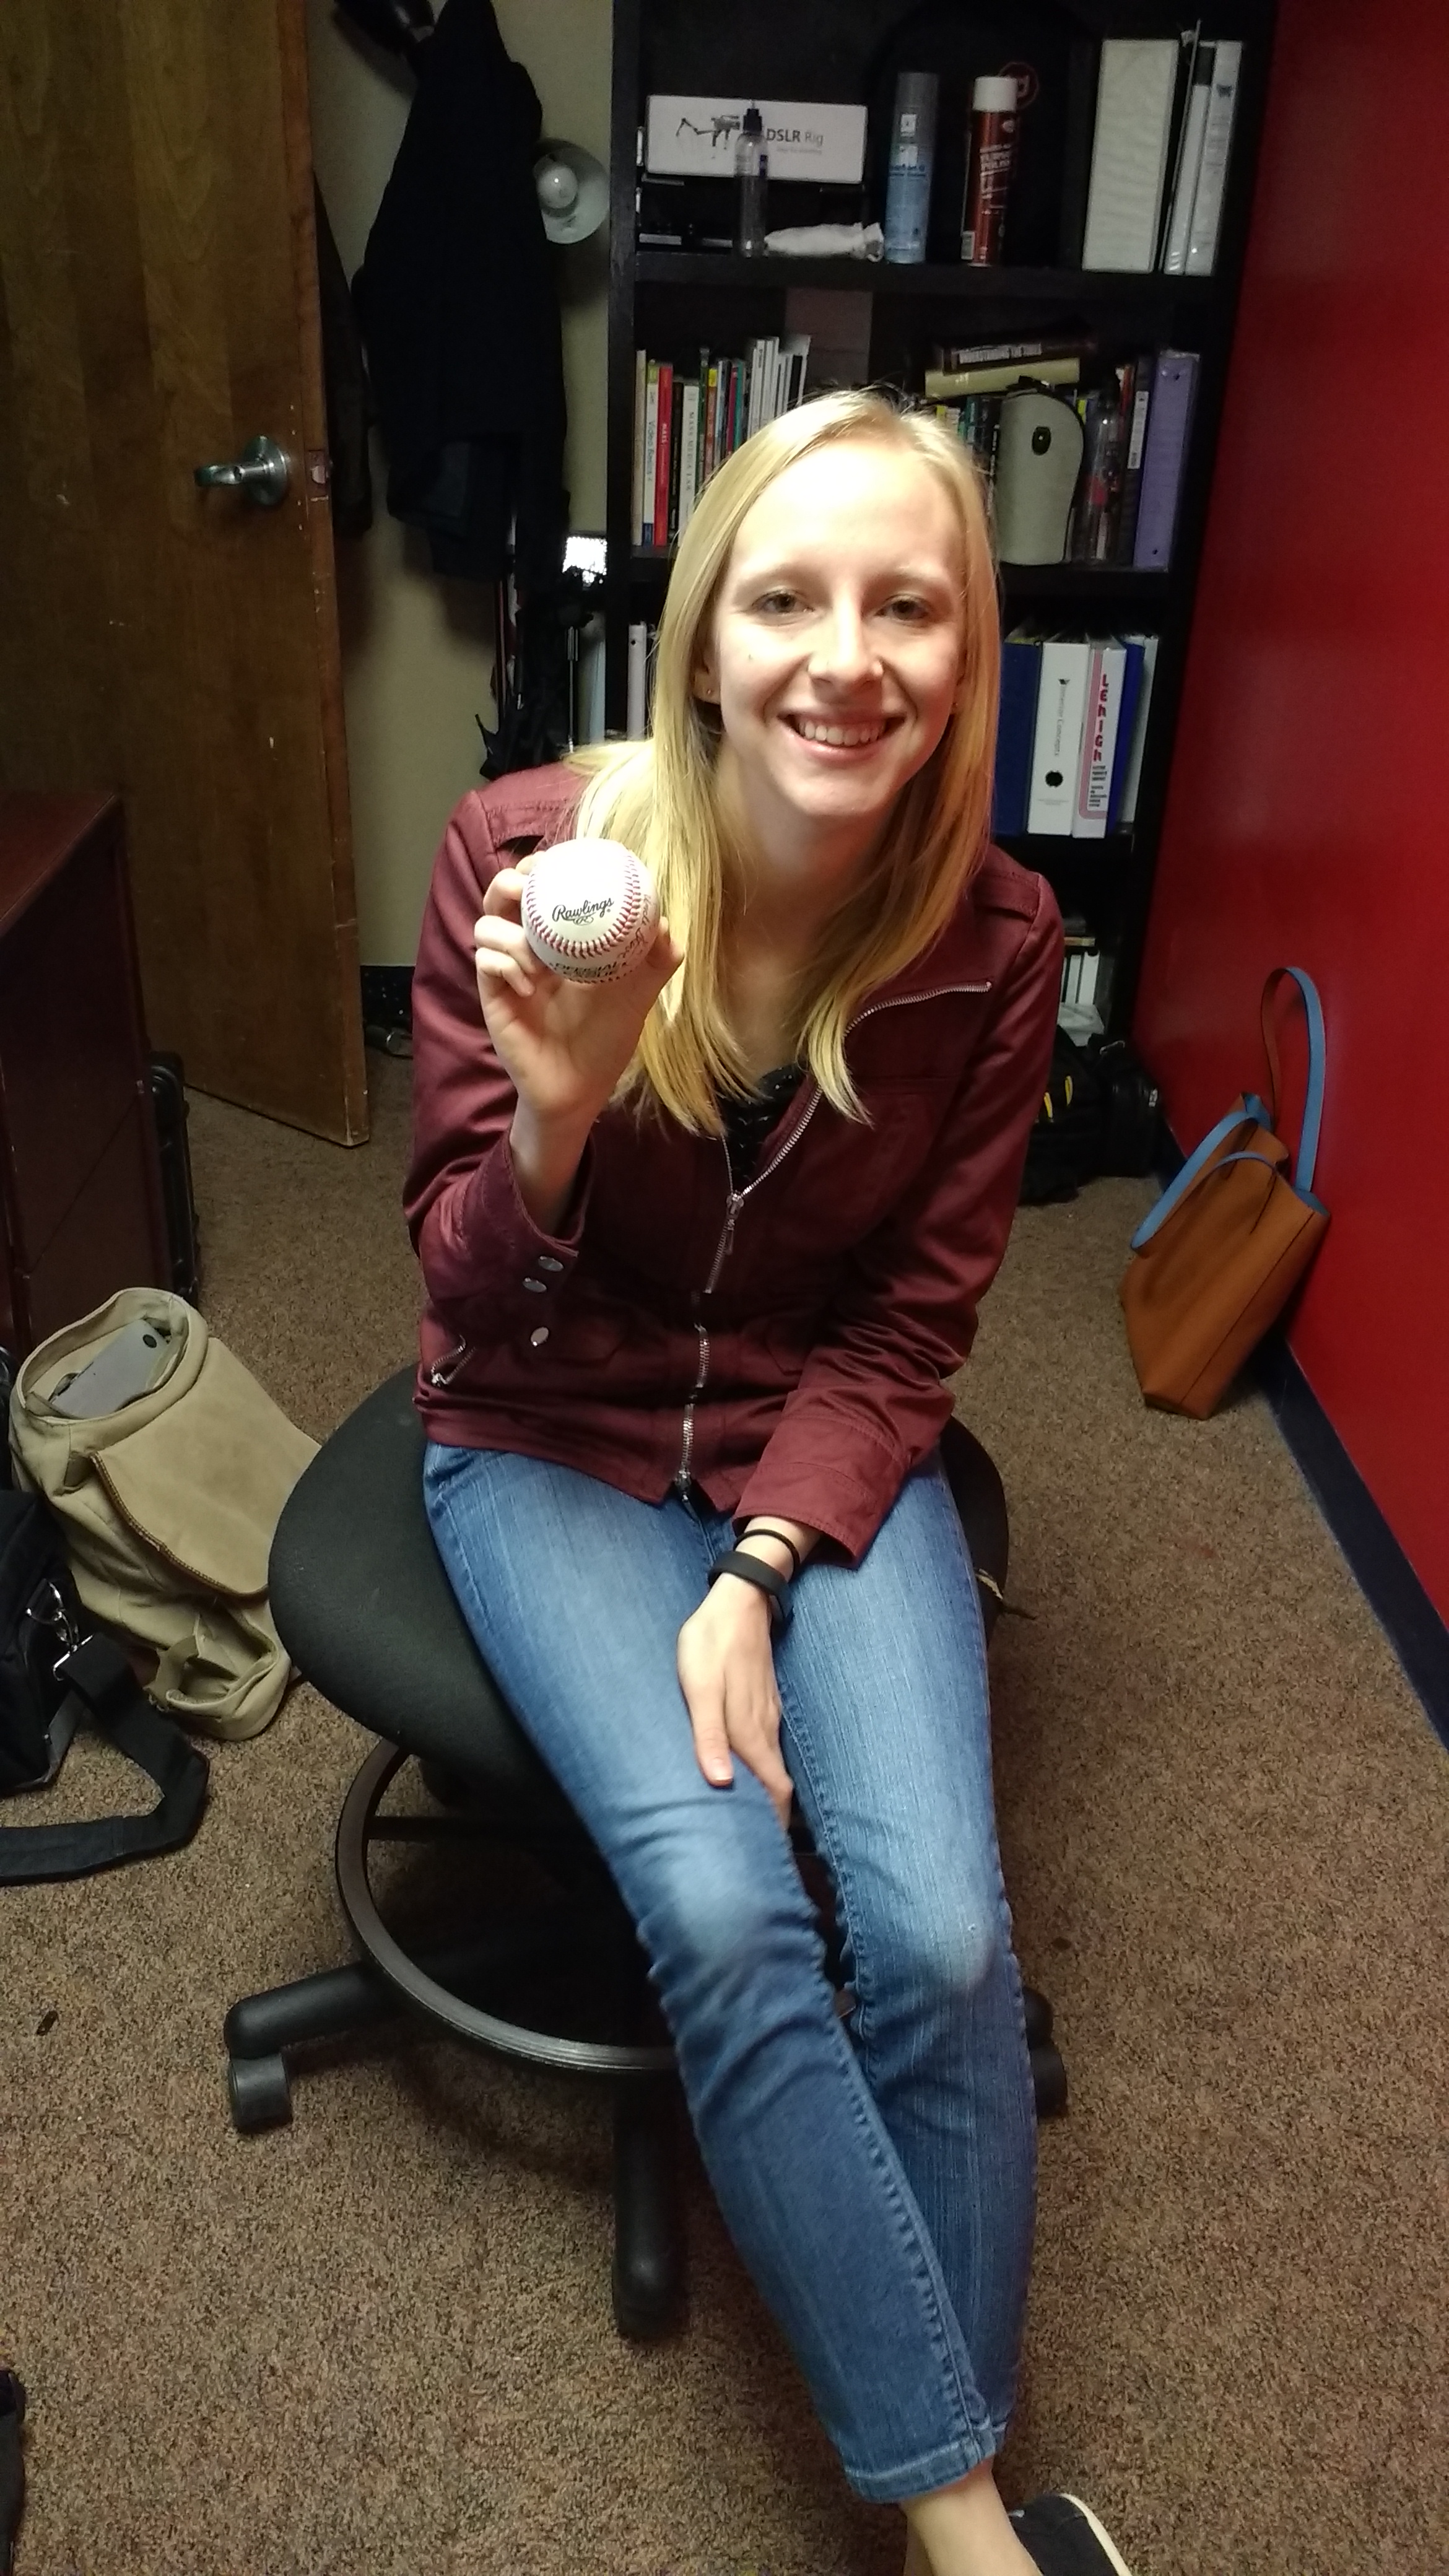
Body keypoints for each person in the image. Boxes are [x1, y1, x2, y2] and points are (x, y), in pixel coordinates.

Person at [406, 389, 1133, 2576]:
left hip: (814, 1441)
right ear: (704, 638)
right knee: (726, 1911)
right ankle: (974, 2538)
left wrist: (760, 1567)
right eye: (787, 596)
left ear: (965, 656)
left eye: (907, 605)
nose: (846, 657)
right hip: (543, 1431)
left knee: (929, 1935)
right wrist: (550, 1122)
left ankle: (939, 2490)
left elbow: (910, 1329)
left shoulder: (998, 945)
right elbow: (462, 1309)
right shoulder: (523, 861)